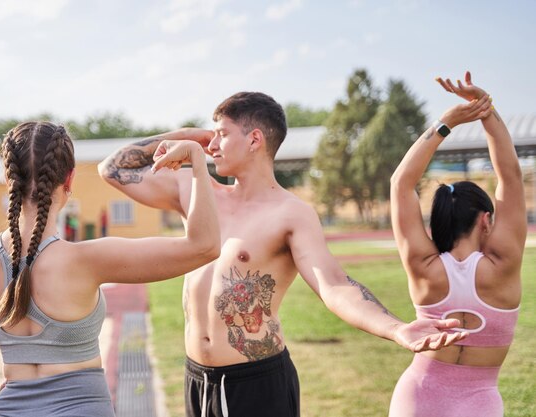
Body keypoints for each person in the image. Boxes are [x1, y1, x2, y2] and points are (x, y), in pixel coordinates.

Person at [98, 92, 468, 417]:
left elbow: (334, 285)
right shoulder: (197, 191)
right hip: (197, 377)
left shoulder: (290, 213)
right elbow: (112, 168)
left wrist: (397, 328)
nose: (213, 146)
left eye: (223, 135)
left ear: (255, 139)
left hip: (255, 384)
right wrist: (195, 137)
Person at [0, 121, 220, 417]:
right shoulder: (87, 260)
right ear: (70, 180)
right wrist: (193, 155)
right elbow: (205, 245)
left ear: (9, 180)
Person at [388, 72, 525, 417]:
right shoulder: (503, 265)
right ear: (485, 220)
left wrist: (445, 123)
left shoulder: (424, 266)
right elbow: (510, 176)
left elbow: (401, 184)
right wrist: (486, 111)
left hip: (417, 394)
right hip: (479, 401)